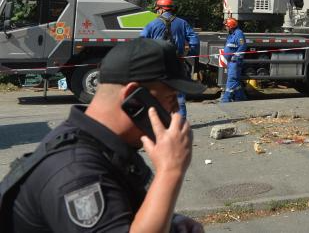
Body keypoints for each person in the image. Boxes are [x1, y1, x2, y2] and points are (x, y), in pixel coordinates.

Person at [0, 38, 205, 232]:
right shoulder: (76, 172)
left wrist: (170, 221)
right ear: (134, 99)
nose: (176, 113)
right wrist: (171, 171)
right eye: (170, 99)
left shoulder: (106, 145)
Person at [141, 0, 200, 119]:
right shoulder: (182, 23)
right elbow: (194, 40)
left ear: (161, 10)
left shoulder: (152, 24)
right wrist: (191, 53)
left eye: (157, 9)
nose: (157, 12)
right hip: (177, 63)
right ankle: (180, 123)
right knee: (178, 96)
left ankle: (161, 123)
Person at [220, 18, 248, 103]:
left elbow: (242, 46)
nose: (226, 28)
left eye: (227, 26)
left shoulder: (239, 34)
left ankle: (226, 99)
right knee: (235, 80)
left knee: (232, 79)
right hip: (231, 62)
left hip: (235, 61)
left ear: (231, 26)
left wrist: (235, 57)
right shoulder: (231, 34)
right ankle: (240, 97)